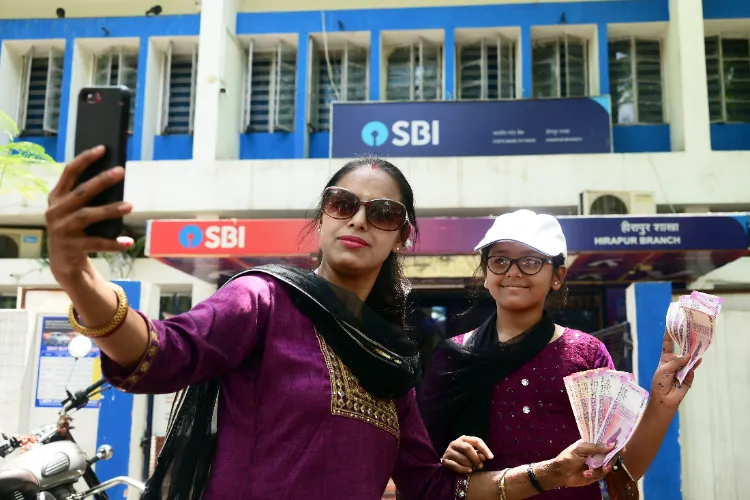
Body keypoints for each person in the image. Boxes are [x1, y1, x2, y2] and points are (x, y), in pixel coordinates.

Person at [45, 149, 616, 500]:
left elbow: (435, 488)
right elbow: (162, 353)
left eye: (384, 213)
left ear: (402, 236)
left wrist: (548, 474)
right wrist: (76, 276)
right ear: (321, 218)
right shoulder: (263, 301)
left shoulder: (390, 358)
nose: (361, 219)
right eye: (344, 204)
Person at [419, 209, 701, 500]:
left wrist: (661, 405)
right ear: (486, 275)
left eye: (530, 261)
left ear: (557, 276)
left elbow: (620, 467)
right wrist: (448, 459)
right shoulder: (453, 357)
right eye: (500, 260)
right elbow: (423, 474)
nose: (513, 271)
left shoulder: (587, 355)